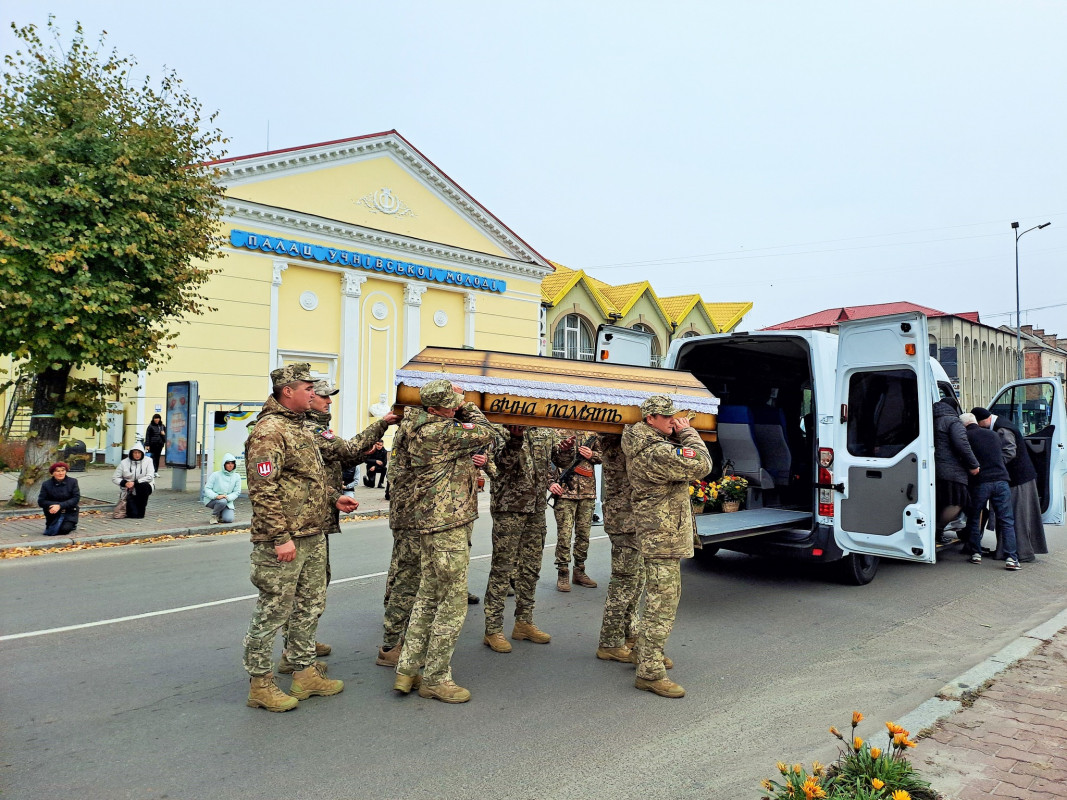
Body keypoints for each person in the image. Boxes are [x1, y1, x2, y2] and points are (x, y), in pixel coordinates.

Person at [241, 363, 358, 713]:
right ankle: (260, 684)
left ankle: (303, 672)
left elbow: (306, 481)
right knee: (273, 610)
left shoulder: (299, 427)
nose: (314, 392)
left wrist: (332, 498)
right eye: (307, 387)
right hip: (286, 538)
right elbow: (263, 490)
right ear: (287, 390)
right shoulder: (269, 431)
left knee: (308, 606)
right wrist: (280, 538)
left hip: (312, 531)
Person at [275, 379, 396, 672]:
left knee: (313, 584)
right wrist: (383, 423)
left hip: (318, 512)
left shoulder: (314, 427)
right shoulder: (310, 429)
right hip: (304, 519)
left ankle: (301, 641)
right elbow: (346, 448)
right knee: (305, 589)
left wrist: (361, 455)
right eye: (324, 397)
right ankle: (295, 650)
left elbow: (344, 455)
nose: (329, 402)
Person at [392, 379, 496, 704]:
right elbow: (486, 432)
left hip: (434, 523)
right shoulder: (439, 431)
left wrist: (456, 405)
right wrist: (469, 406)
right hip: (447, 523)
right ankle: (436, 678)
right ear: (435, 409)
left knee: (427, 596)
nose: (455, 406)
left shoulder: (421, 428)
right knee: (452, 602)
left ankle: (408, 669)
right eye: (450, 403)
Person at [622, 396, 713, 698]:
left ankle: (646, 654)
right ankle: (649, 672)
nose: (674, 421)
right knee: (662, 606)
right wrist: (688, 432)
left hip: (659, 534)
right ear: (651, 419)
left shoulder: (644, 443)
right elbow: (703, 464)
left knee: (657, 602)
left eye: (675, 416)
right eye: (668, 417)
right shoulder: (658, 452)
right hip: (663, 538)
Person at [481, 425, 559, 654]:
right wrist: (515, 439)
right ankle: (493, 629)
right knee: (502, 570)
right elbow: (499, 468)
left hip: (536, 507)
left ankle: (524, 622)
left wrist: (565, 449)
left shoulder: (544, 431)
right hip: (509, 508)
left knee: (531, 568)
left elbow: (558, 461)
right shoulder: (498, 431)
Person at [972, 407, 1048, 563]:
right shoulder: (1002, 425)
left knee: (1015, 517)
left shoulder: (1002, 429)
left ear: (983, 421)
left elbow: (1009, 452)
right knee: (1013, 516)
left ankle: (1020, 553)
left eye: (978, 424)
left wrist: (993, 466)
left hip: (1018, 479)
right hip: (1019, 477)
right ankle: (1008, 552)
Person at [595, 433, 643, 663]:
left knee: (637, 581)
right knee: (623, 583)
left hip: (637, 522)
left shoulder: (625, 440)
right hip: (624, 522)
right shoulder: (615, 443)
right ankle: (610, 642)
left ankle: (630, 633)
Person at [960, 412, 1020, 570]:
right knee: (1006, 520)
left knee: (974, 518)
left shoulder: (965, 437)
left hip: (980, 483)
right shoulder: (993, 435)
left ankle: (976, 554)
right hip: (1001, 480)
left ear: (963, 425)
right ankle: (1011, 558)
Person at [551, 429, 602, 591]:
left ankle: (579, 570)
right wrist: (550, 483)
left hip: (587, 492)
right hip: (564, 491)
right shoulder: (557, 432)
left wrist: (591, 455)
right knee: (564, 535)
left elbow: (605, 457)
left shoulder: (592, 433)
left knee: (583, 535)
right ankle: (563, 572)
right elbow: (546, 461)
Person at [932, 399, 979, 543]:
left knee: (940, 501)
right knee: (957, 501)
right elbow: (962, 444)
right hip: (952, 471)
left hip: (936, 469)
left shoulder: (931, 419)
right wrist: (973, 464)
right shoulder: (953, 421)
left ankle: (933, 531)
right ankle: (938, 531)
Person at [112, 443, 155, 519]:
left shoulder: (148, 461)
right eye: (135, 452)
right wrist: (125, 483)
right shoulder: (124, 463)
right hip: (128, 489)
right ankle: (132, 510)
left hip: (144, 486)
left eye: (139, 453)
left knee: (143, 486)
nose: (137, 455)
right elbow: (115, 478)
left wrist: (135, 483)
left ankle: (141, 512)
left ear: (142, 453)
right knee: (132, 514)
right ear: (131, 453)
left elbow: (150, 476)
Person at [39, 461, 80, 536]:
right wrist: (53, 506)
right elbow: (41, 501)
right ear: (52, 473)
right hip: (53, 513)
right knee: (51, 531)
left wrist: (60, 505)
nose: (61, 473)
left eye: (63, 470)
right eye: (58, 471)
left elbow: (76, 498)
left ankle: (72, 525)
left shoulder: (73, 482)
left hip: (69, 512)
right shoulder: (46, 484)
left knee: (64, 530)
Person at [202, 454, 241, 523]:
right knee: (222, 501)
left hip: (227, 501)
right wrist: (216, 496)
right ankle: (214, 516)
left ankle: (221, 513)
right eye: (228, 463)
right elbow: (207, 488)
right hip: (212, 500)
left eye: (232, 463)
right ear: (224, 464)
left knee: (228, 519)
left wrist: (227, 497)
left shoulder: (237, 476)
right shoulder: (215, 475)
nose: (230, 465)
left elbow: (237, 492)